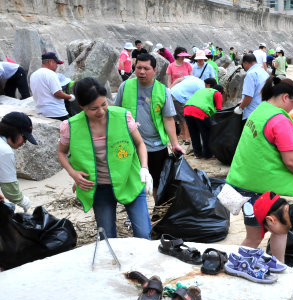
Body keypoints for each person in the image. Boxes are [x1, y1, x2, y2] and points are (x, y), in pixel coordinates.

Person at [226, 76, 293, 262]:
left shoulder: (260, 110)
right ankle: (236, 265)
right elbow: (290, 160)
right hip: (259, 190)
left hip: (244, 181)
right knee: (255, 237)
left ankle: (278, 266)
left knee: (281, 227)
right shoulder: (279, 120)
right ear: (286, 97)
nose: (292, 109)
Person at [58, 78, 153, 239]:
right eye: (93, 108)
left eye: (104, 104)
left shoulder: (123, 117)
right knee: (107, 238)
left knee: (144, 234)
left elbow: (140, 144)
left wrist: (144, 168)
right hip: (99, 186)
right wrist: (73, 173)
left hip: (128, 180)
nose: (101, 111)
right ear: (82, 106)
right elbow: (61, 153)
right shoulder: (71, 126)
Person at [114, 53, 184, 198]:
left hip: (155, 145)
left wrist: (175, 143)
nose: (141, 72)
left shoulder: (162, 90)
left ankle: (158, 210)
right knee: (132, 182)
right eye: (138, 67)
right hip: (130, 144)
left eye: (146, 68)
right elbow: (116, 113)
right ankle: (133, 214)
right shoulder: (125, 86)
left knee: (158, 182)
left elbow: (168, 119)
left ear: (155, 70)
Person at [0, 112, 37, 213]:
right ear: (15, 132)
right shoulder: (4, 150)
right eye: (24, 138)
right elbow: (10, 190)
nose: (24, 143)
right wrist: (24, 201)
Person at [184, 84, 224, 159]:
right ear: (221, 92)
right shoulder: (217, 93)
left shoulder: (202, 90)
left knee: (194, 133)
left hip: (187, 110)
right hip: (200, 111)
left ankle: (197, 154)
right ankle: (208, 155)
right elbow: (219, 111)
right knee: (206, 133)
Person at [30, 52, 74, 121]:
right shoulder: (51, 74)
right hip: (56, 113)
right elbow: (57, 93)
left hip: (41, 112)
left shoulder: (33, 75)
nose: (57, 66)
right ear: (50, 62)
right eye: (56, 63)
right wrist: (70, 97)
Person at [233, 54, 269, 124]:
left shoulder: (251, 74)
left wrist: (240, 108)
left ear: (245, 63)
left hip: (252, 114)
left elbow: (248, 96)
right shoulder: (264, 72)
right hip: (263, 111)